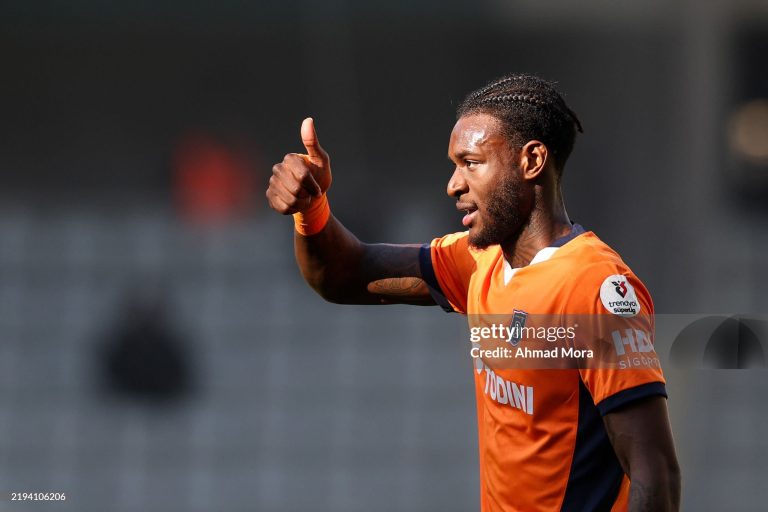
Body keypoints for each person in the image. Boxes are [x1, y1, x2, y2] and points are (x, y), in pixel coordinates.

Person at [266, 74, 681, 511]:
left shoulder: (593, 288)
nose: (453, 184)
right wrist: (311, 210)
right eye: (453, 165)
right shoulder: (479, 261)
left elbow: (656, 476)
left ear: (532, 160)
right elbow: (343, 275)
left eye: (471, 162)